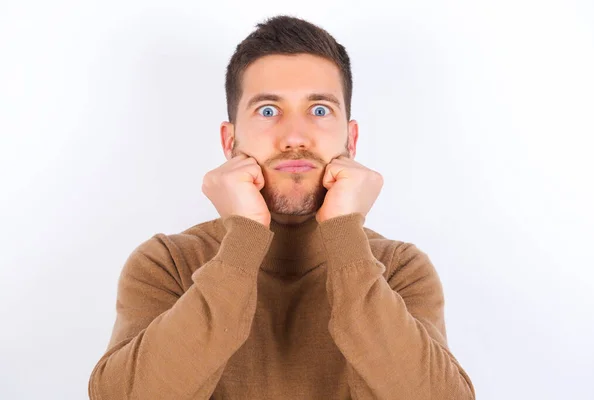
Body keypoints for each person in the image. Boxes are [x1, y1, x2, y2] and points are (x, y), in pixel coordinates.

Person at [88, 15, 476, 400]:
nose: (294, 137)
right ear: (230, 141)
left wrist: (345, 235)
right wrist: (243, 239)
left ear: (351, 139)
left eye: (320, 110)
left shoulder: (399, 270)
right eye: (269, 111)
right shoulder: (167, 263)